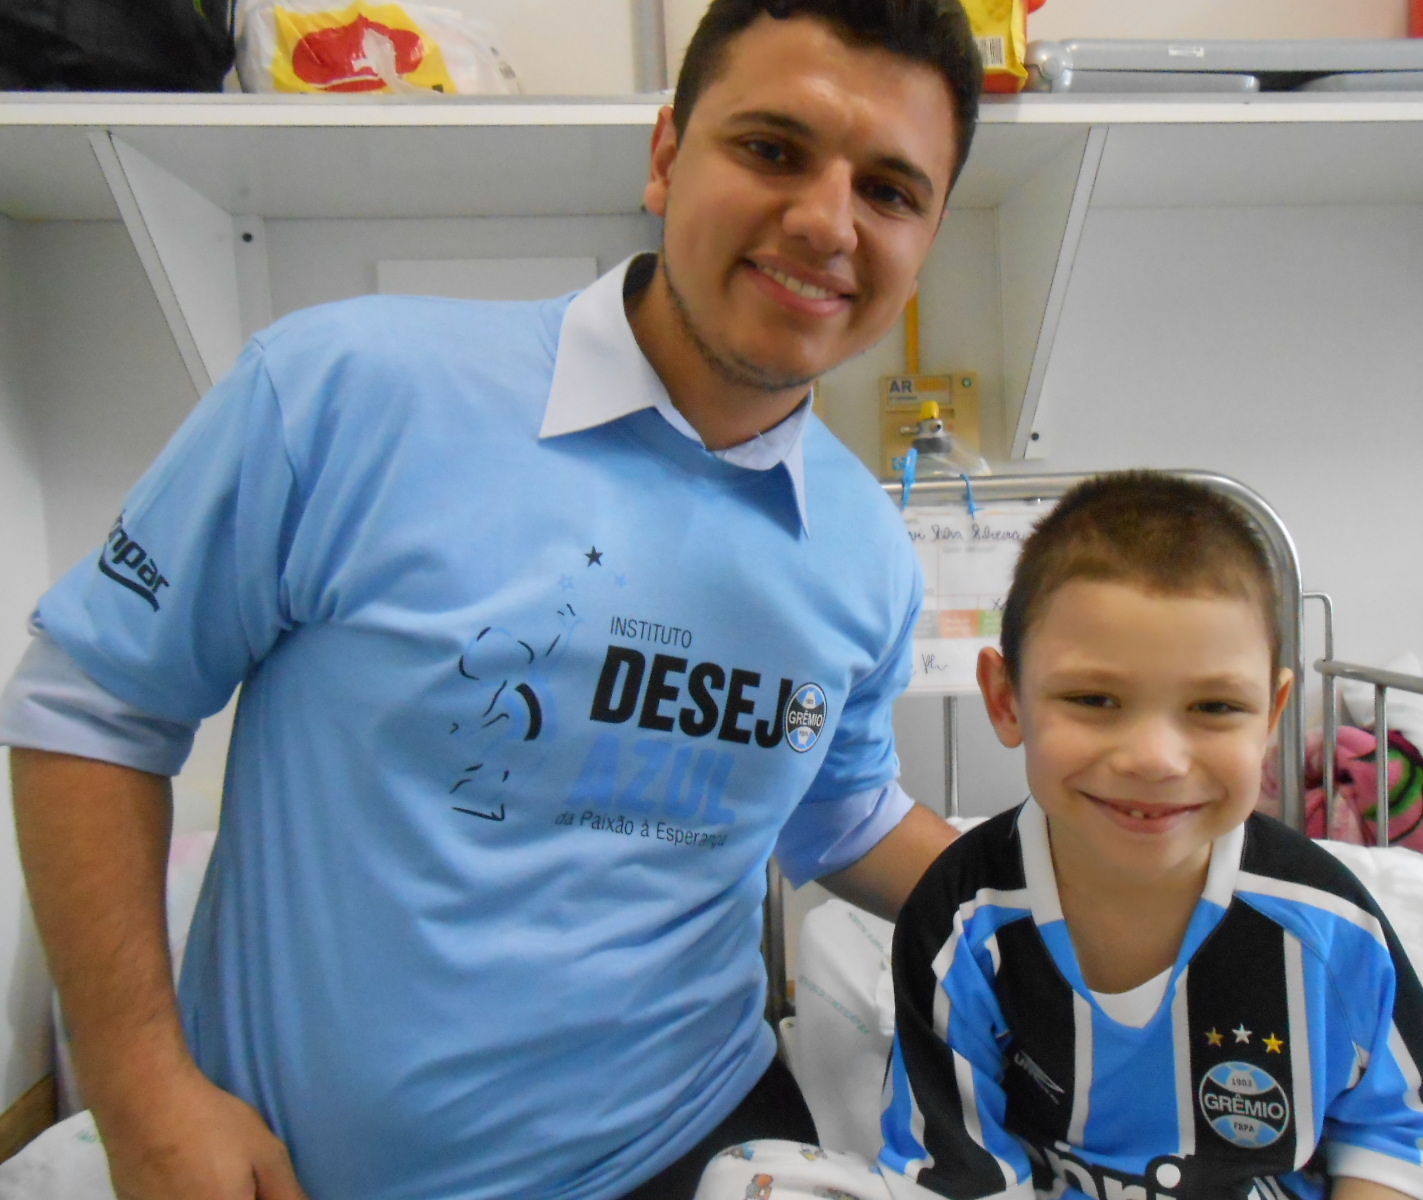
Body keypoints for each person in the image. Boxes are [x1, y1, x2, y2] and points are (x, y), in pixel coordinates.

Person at [0, 3, 984, 1198]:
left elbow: (840, 812)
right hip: (304, 1169)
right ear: (666, 157)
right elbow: (90, 707)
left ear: (925, 236)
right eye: (772, 150)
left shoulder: (861, 543)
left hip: (691, 1142)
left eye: (889, 190)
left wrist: (1075, 877)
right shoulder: (346, 391)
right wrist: (141, 1091)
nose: (827, 223)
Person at [695, 471, 1423, 1200]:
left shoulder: (1329, 927)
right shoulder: (961, 926)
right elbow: (961, 1171)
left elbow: (1405, 1131)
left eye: (1213, 708)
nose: (1154, 759)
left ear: (1273, 717)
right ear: (1006, 701)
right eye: (1095, 699)